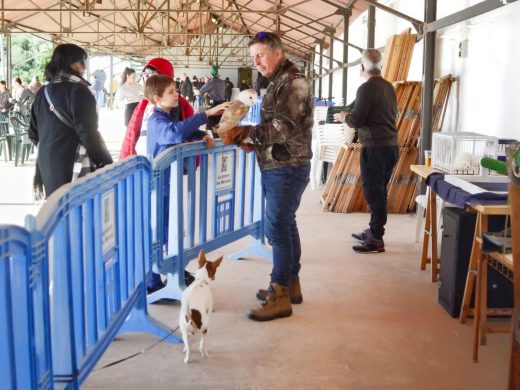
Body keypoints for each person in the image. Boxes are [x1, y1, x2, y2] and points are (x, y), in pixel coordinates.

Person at [222, 32, 313, 322]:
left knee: (276, 229)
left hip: (287, 167)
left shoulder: (292, 82)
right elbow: (276, 129)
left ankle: (280, 294)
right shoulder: (278, 81)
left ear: (277, 52)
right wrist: (255, 142)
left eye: (260, 55)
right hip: (279, 164)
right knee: (286, 225)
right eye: (254, 58)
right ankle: (291, 285)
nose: (257, 62)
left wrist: (246, 132)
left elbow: (283, 127)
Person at [144, 74, 230, 293]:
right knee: (160, 233)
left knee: (171, 230)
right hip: (159, 185)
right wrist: (206, 115)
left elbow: (182, 132)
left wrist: (201, 135)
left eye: (176, 90)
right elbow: (173, 135)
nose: (177, 95)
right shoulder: (156, 120)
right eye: (171, 92)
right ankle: (152, 281)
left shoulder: (167, 116)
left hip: (168, 184)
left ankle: (172, 271)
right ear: (156, 98)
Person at [333, 49, 399, 254]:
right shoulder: (389, 87)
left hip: (375, 148)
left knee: (373, 191)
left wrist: (344, 116)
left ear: (362, 67)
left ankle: (376, 239)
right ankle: (374, 230)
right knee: (379, 191)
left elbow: (356, 120)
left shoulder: (365, 89)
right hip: (390, 147)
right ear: (381, 66)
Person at [28, 43, 113, 197]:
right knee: (79, 211)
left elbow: (33, 134)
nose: (84, 67)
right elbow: (87, 133)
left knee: (56, 211)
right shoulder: (79, 91)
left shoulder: (42, 92)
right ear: (71, 64)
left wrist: (52, 145)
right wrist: (100, 160)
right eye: (81, 62)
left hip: (47, 163)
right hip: (73, 163)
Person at [119, 57, 193, 159]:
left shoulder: (173, 102)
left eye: (151, 74)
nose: (146, 78)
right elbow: (132, 131)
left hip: (163, 159)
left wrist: (204, 118)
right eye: (144, 74)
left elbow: (177, 131)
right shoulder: (144, 102)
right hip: (143, 157)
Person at [198, 65, 226, 135]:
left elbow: (200, 92)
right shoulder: (222, 82)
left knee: (212, 124)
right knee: (221, 123)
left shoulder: (210, 82)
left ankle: (216, 137)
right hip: (223, 104)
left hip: (215, 105)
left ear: (211, 74)